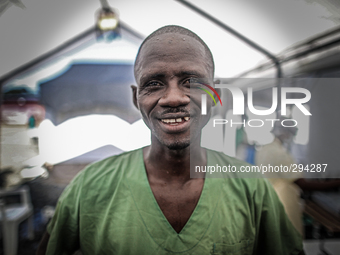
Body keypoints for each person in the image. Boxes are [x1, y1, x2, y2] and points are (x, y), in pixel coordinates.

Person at [37, 25, 304, 255]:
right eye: (153, 83)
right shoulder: (89, 187)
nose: (173, 98)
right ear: (136, 98)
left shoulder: (251, 187)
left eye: (191, 81)